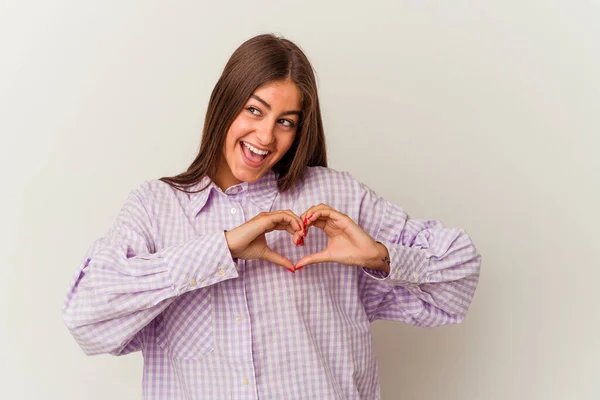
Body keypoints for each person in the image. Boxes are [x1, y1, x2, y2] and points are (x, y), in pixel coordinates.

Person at [62, 33, 481, 400]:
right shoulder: (156, 208)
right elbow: (86, 320)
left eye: (286, 122)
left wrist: (380, 257)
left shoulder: (335, 197)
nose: (265, 137)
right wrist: (221, 249)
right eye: (255, 110)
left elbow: (460, 277)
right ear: (225, 104)